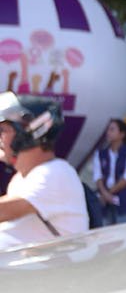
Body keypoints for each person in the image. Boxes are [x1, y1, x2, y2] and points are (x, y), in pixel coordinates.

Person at [0, 91, 88, 249]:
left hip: (57, 264)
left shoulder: (55, 172)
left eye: (2, 130)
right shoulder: (22, 178)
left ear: (28, 132)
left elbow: (3, 211)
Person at [91, 117, 126, 225]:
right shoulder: (100, 154)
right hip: (104, 203)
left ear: (122, 134)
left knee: (124, 230)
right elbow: (97, 176)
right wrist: (104, 193)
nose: (108, 133)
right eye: (108, 129)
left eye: (112, 130)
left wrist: (108, 194)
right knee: (105, 231)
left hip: (124, 202)